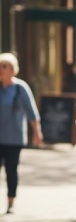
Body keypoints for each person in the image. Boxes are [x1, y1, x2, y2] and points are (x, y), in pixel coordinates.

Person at [0, 53, 43, 213]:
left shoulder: (21, 88)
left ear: (12, 69)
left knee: (11, 170)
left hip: (14, 138)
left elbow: (31, 111)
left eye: (4, 66)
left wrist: (37, 132)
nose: (1, 69)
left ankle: (11, 201)